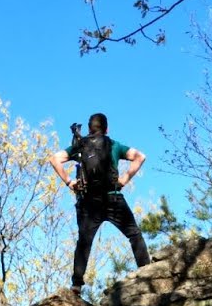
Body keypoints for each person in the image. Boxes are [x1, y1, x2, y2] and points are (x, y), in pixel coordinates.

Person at [49, 112, 151, 295]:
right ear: (106, 129)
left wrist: (69, 182)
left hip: (89, 203)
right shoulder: (114, 145)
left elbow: (54, 159)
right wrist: (124, 179)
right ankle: (147, 273)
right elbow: (140, 157)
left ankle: (76, 285)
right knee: (134, 234)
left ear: (89, 128)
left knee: (84, 243)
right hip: (113, 198)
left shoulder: (80, 146)